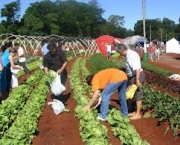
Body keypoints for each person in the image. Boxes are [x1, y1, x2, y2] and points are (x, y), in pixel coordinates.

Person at [116, 43, 145, 120]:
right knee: (132, 94)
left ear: (122, 51)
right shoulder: (129, 55)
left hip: (137, 76)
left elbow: (137, 68)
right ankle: (134, 111)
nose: (120, 55)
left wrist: (137, 80)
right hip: (133, 76)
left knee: (137, 94)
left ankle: (138, 114)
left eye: (120, 53)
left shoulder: (132, 55)